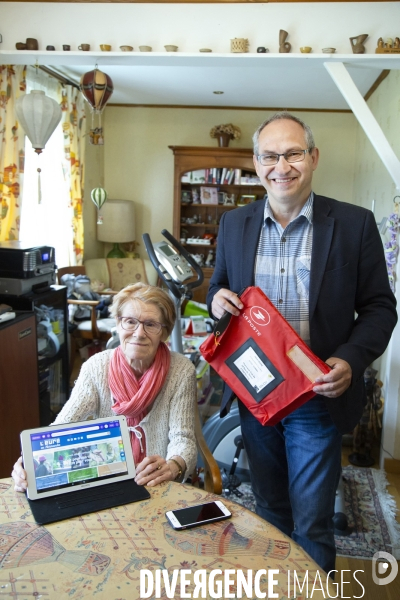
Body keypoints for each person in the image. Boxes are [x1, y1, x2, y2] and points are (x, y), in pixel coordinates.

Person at [207, 111, 397, 574]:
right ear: (256, 163)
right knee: (269, 512)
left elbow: (379, 307)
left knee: (312, 522)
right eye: (270, 155)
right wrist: (217, 301)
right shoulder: (234, 224)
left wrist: (351, 359)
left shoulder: (353, 225)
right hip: (257, 395)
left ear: (313, 158)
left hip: (315, 395)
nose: (281, 166)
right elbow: (217, 287)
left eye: (293, 153)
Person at [13, 282, 197, 491]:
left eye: (151, 324)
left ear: (164, 332)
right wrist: (29, 461)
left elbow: (184, 439)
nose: (139, 333)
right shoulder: (96, 367)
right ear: (118, 324)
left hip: (157, 481)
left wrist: (173, 466)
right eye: (130, 322)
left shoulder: (181, 370)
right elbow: (63, 426)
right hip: (105, 480)